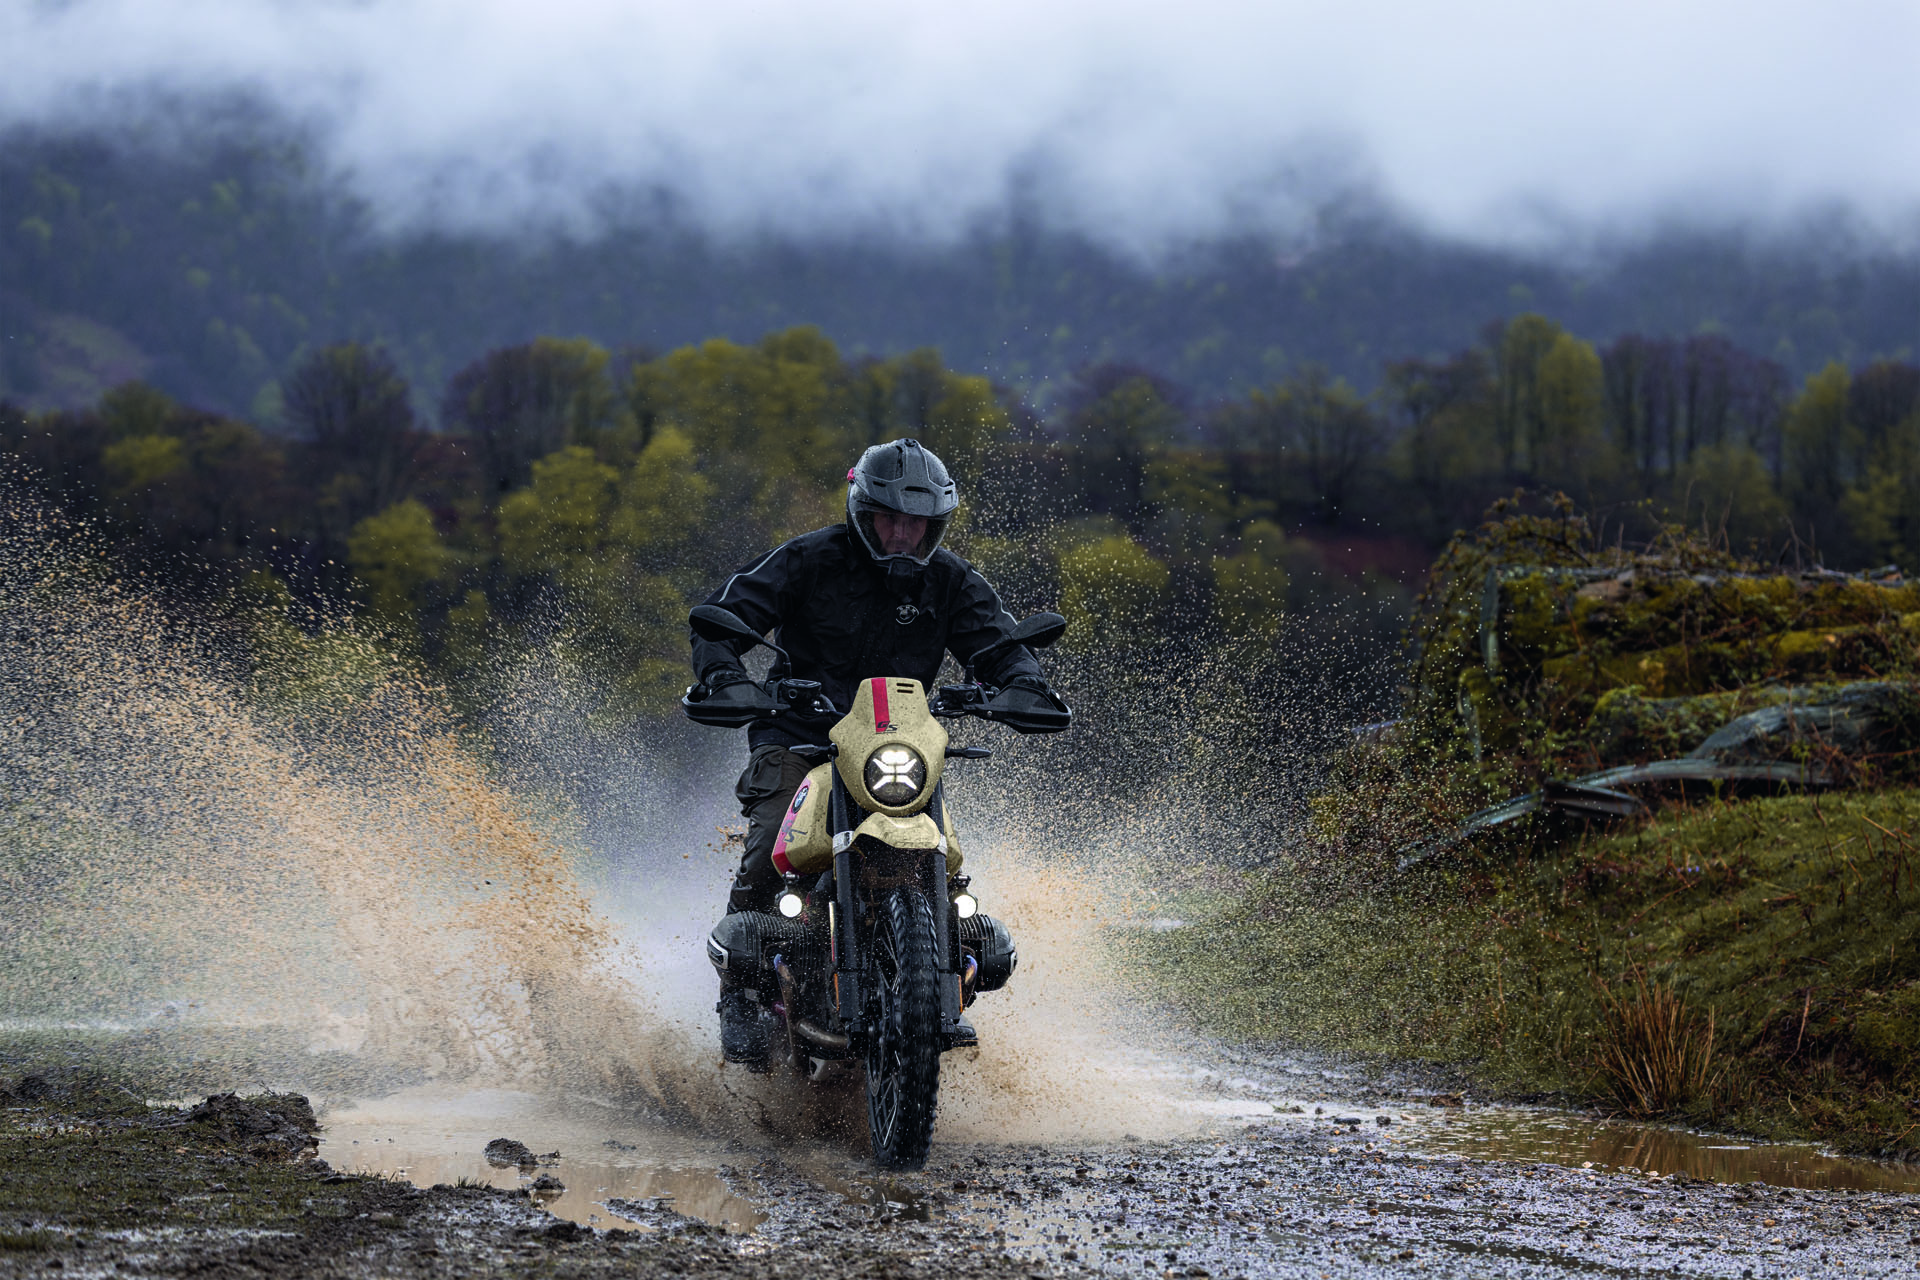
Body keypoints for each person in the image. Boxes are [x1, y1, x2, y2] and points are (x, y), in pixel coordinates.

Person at [686, 438, 1065, 1062]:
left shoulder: (951, 581)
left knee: (943, 860)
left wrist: (1022, 683)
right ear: (863, 511)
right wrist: (727, 678)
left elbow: (998, 645)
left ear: (933, 525)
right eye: (890, 517)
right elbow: (726, 619)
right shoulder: (809, 559)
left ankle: (943, 975)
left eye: (916, 522)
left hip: (897, 749)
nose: (901, 533)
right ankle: (741, 995)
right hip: (800, 738)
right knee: (769, 847)